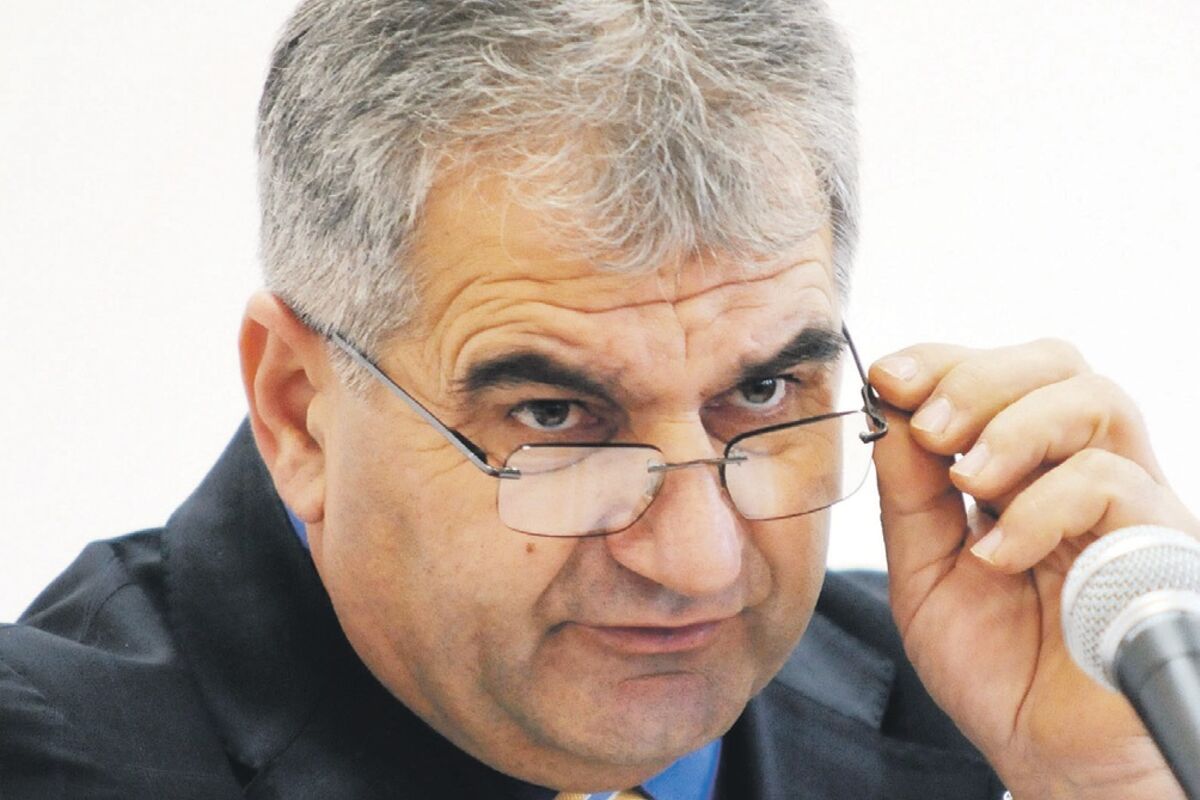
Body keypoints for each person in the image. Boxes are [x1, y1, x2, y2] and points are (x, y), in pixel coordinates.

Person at [1, 1, 1195, 797]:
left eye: (760, 391)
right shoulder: (47, 756)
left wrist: (1112, 786)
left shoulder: (991, 701)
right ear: (298, 408)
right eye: (555, 418)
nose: (698, 561)